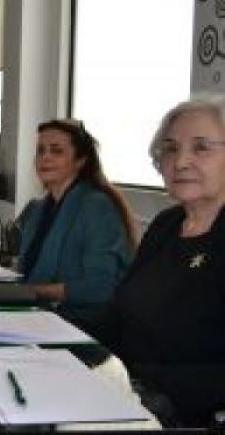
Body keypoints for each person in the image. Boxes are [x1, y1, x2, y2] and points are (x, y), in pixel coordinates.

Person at [82, 96, 225, 426]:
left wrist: (133, 384)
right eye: (170, 149)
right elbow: (119, 316)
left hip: (184, 412)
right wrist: (51, 330)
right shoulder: (166, 224)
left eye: (201, 147)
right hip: (124, 391)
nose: (181, 161)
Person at [17, 119, 137, 310]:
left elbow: (101, 288)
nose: (45, 157)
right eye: (40, 150)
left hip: (79, 319)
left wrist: (32, 291)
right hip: (38, 310)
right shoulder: (39, 209)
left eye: (56, 151)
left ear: (80, 161)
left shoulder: (97, 207)